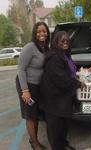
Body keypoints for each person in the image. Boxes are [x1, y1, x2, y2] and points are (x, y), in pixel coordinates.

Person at [40, 31, 83, 150]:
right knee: (55, 129)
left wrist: (79, 74)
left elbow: (70, 71)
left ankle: (64, 145)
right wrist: (78, 83)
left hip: (63, 99)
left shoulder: (65, 55)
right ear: (55, 42)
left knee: (63, 126)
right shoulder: (54, 57)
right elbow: (62, 79)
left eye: (67, 41)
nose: (65, 43)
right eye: (62, 41)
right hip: (54, 101)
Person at [16, 21, 50, 150]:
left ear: (47, 33)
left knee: (35, 114)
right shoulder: (30, 47)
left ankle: (34, 140)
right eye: (39, 31)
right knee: (30, 115)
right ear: (35, 34)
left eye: (44, 31)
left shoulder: (45, 48)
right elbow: (21, 69)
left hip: (37, 86)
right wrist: (25, 91)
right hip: (26, 85)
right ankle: (35, 144)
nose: (42, 33)